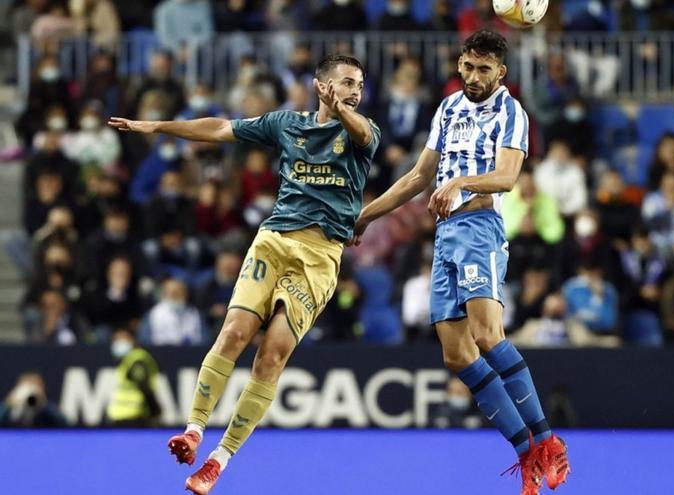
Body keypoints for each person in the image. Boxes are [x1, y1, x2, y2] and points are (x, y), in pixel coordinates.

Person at [109, 54, 380, 495]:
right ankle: (194, 431)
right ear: (321, 85)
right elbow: (221, 128)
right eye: (347, 82)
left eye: (359, 84)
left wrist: (346, 109)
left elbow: (363, 132)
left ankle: (219, 460)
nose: (355, 90)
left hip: (318, 256)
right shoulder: (286, 124)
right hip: (273, 240)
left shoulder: (361, 132)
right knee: (235, 331)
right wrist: (159, 127)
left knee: (271, 355)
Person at [352, 31, 569, 495]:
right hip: (446, 235)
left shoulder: (512, 113)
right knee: (456, 355)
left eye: (483, 69)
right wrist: (366, 215)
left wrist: (461, 183)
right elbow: (418, 176)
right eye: (467, 67)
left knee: (489, 337)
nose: (472, 76)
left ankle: (548, 441)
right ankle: (525, 454)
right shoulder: (449, 108)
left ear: (501, 72)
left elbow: (508, 177)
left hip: (480, 228)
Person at [106, 328, 161, 426]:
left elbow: (144, 385)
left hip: (135, 416)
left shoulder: (137, 359)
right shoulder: (125, 360)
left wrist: (154, 409)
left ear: (132, 340)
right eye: (115, 340)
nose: (118, 343)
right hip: (121, 416)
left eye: (122, 339)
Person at [0, 372, 67, 428]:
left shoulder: (45, 410)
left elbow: (64, 423)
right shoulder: (10, 411)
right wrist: (7, 404)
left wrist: (43, 403)